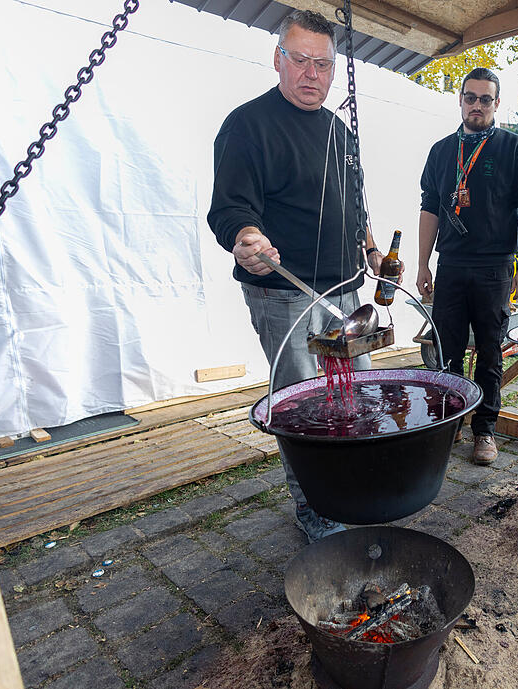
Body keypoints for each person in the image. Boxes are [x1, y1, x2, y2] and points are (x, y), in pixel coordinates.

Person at [207, 10, 388, 543]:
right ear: (278, 59)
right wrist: (247, 239)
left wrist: (373, 251)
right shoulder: (248, 125)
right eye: (301, 60)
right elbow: (230, 208)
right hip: (285, 292)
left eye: (324, 64)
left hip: (344, 292)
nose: (313, 74)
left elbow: (354, 206)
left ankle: (351, 486)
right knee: (304, 406)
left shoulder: (340, 132)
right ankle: (314, 506)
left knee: (357, 395)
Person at [416, 67, 518, 466]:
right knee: (446, 348)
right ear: (460, 100)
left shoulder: (514, 148)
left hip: (494, 267)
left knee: (490, 352)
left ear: (496, 103)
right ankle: (448, 420)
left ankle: (484, 429)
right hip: (450, 264)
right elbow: (430, 208)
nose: (477, 106)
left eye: (485, 99)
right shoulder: (440, 150)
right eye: (470, 97)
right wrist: (423, 264)